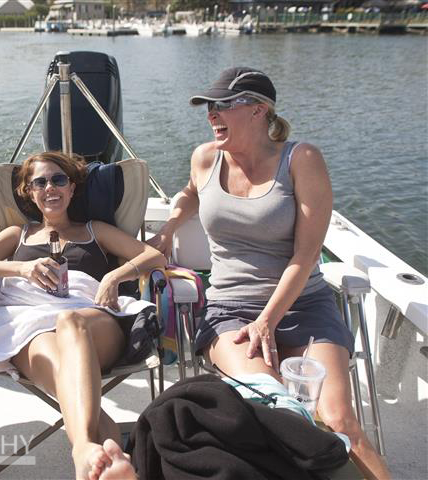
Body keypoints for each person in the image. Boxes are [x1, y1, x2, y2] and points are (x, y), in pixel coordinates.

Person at [147, 67, 390, 479]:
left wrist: (268, 321)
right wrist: (169, 226)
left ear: (260, 110)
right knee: (279, 409)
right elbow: (191, 192)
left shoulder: (302, 159)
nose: (212, 114)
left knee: (338, 421)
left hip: (304, 306)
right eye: (210, 106)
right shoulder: (205, 157)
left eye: (224, 105)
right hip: (230, 313)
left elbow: (307, 252)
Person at [0, 151, 166, 480]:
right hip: (30, 328)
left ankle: (81, 447)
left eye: (58, 180)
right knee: (63, 367)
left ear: (72, 188)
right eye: (39, 182)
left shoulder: (94, 230)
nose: (50, 187)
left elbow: (153, 256)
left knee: (70, 322)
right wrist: (21, 268)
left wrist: (114, 276)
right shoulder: (17, 235)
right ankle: (110, 459)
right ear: (28, 192)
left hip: (91, 323)